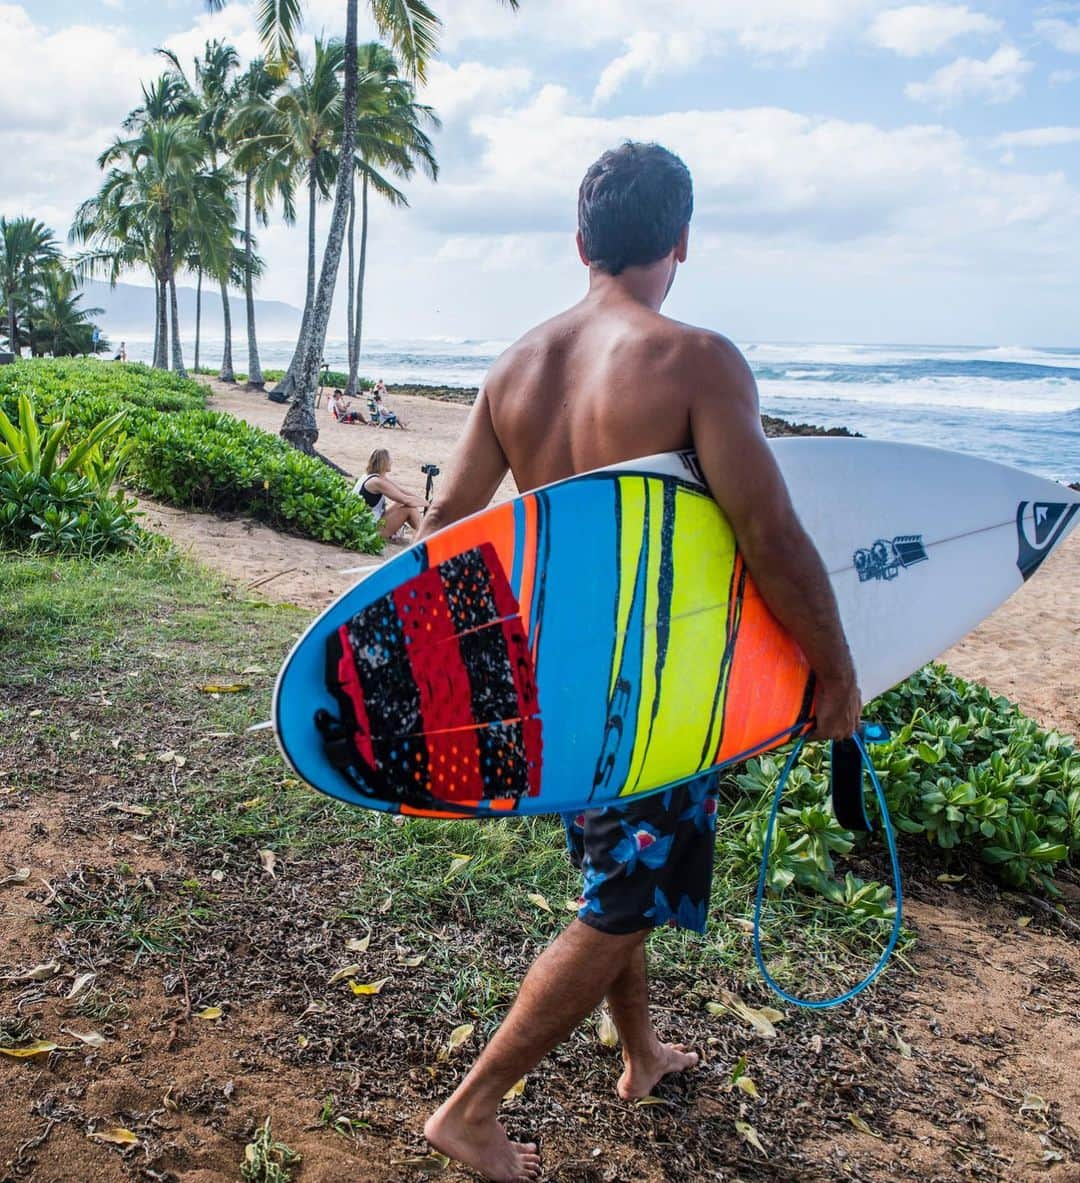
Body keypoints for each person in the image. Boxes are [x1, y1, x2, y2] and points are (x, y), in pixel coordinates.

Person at [415, 141, 862, 1183]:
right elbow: (770, 531)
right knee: (626, 898)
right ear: (682, 240)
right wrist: (833, 667)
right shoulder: (697, 360)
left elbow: (447, 527)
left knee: (623, 873)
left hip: (557, 680)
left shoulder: (514, 366)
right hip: (659, 690)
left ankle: (641, 1053)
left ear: (580, 242)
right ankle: (471, 1109)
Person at [354, 448, 426, 540]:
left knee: (401, 504)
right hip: (368, 531)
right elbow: (405, 499)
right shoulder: (376, 482)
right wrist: (428, 504)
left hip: (368, 523)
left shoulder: (372, 476)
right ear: (384, 462)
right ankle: (425, 536)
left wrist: (423, 500)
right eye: (390, 460)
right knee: (409, 509)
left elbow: (401, 490)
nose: (392, 462)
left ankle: (422, 533)